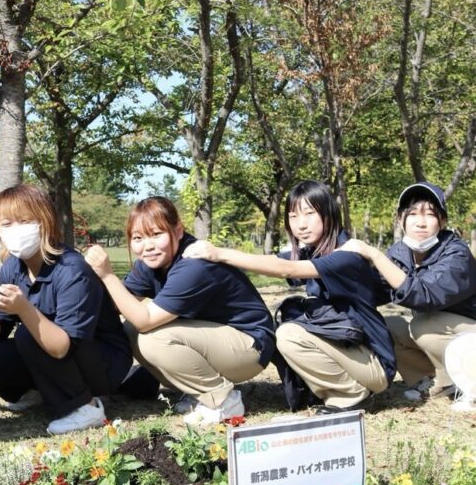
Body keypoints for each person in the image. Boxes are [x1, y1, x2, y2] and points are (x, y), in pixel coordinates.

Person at [184, 180, 396, 413]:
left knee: (289, 334)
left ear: (329, 214)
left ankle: (351, 395)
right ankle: (329, 390)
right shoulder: (312, 251)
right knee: (286, 327)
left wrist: (219, 253)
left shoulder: (345, 255)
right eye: (293, 216)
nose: (301, 224)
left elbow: (287, 269)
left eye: (309, 213)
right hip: (351, 351)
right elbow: (275, 262)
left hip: (373, 363)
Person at [84, 196, 275, 426]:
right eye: (138, 238)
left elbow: (144, 320)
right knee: (131, 329)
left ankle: (223, 400)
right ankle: (197, 393)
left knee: (153, 338)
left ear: (178, 231)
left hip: (250, 346)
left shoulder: (194, 265)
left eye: (156, 234)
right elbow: (120, 303)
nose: (148, 246)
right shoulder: (152, 263)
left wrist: (107, 274)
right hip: (214, 339)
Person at [0, 184, 131, 435]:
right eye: (7, 223)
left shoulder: (73, 270)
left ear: (46, 222)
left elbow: (62, 345)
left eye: (25, 220)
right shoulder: (12, 267)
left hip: (102, 362)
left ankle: (86, 407)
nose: (15, 230)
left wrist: (24, 308)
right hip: (52, 354)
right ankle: (40, 392)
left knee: (28, 333)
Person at [340, 182, 476, 403]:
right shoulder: (400, 254)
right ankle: (433, 381)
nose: (420, 222)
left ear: (442, 221)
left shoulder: (456, 254)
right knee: (388, 328)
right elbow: (375, 291)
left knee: (423, 324)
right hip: (445, 335)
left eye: (430, 215)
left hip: (469, 332)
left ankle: (468, 381)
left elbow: (424, 296)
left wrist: (374, 254)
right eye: (412, 214)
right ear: (400, 219)